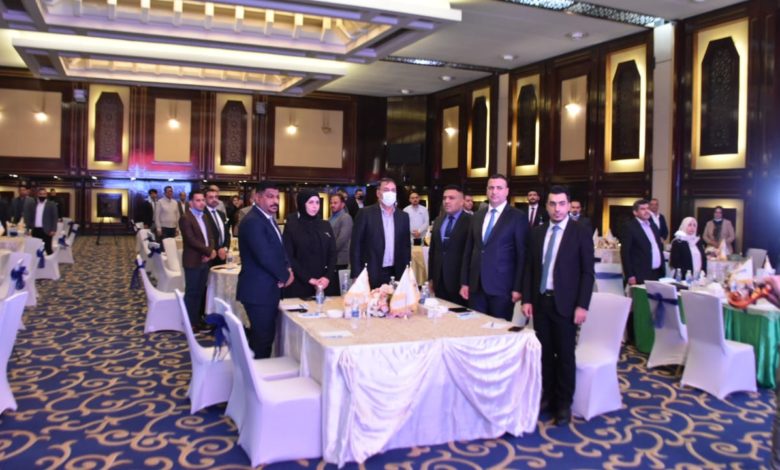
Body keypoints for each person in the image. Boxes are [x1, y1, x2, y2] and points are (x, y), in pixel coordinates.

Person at [522, 185, 594, 425]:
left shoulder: (580, 232)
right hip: (541, 302)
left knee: (564, 356)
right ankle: (548, 396)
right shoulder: (537, 233)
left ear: (569, 205)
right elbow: (530, 268)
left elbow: (587, 273)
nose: (557, 209)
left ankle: (564, 404)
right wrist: (527, 298)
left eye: (562, 204)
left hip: (567, 305)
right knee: (544, 354)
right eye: (552, 204)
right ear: (546, 206)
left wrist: (582, 305)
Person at [460, 174, 528, 320]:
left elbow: (522, 255)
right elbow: (469, 251)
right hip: (476, 286)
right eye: (491, 188)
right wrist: (464, 282)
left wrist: (518, 287)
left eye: (499, 188)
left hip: (502, 288)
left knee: (498, 330)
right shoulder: (477, 216)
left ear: (507, 191)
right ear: (486, 190)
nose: (494, 191)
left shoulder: (517, 217)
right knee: (474, 327)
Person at [237, 181, 293, 359]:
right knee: (262, 340)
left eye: (277, 197)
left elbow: (280, 249)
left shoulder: (268, 219)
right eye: (270, 196)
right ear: (257, 197)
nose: (275, 201)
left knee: (264, 337)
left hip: (266, 289)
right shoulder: (253, 221)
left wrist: (288, 268)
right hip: (258, 291)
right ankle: (256, 374)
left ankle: (255, 372)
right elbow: (265, 256)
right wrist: (285, 276)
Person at [350, 177, 411, 288]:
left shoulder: (403, 216)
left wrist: (407, 272)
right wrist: (355, 274)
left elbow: (406, 247)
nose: (390, 193)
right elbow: (356, 246)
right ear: (378, 193)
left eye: (393, 190)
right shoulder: (365, 214)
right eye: (386, 190)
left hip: (396, 273)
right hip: (370, 272)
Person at [283, 190, 338, 298]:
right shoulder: (292, 227)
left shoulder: (325, 225)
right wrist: (309, 279)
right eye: (311, 202)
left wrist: (327, 277)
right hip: (299, 284)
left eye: (317, 202)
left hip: (324, 284)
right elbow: (289, 257)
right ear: (302, 204)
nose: (315, 206)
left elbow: (333, 253)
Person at [179, 190, 216, 329]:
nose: (202, 203)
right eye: (198, 200)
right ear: (191, 203)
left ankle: (196, 320)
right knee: (191, 292)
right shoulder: (185, 218)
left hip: (205, 260)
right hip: (193, 260)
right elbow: (191, 240)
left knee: (200, 292)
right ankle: (188, 323)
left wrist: (210, 251)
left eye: (203, 200)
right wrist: (208, 251)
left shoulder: (204, 216)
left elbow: (210, 236)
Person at [428, 185, 471, 305]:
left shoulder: (471, 222)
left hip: (459, 282)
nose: (446, 201)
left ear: (462, 201)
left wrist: (466, 282)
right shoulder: (438, 220)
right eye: (444, 198)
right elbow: (433, 251)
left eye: (451, 198)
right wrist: (431, 278)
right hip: (439, 280)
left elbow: (470, 255)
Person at [620, 199, 665, 286]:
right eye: (643, 209)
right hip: (640, 275)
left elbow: (658, 247)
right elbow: (625, 253)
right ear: (635, 212)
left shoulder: (653, 226)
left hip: (656, 273)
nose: (646, 211)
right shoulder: (629, 227)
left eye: (648, 208)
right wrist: (630, 275)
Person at [23, 188, 58, 254]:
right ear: (37, 195)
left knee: (48, 248)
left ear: (46, 195)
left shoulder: (51, 204)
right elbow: (30, 217)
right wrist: (27, 229)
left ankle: (50, 260)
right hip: (35, 230)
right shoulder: (33, 204)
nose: (42, 195)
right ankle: (39, 261)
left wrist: (53, 229)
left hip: (46, 230)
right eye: (40, 194)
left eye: (44, 194)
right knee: (36, 249)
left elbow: (54, 217)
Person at [204, 187, 230, 266]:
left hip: (222, 255)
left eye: (216, 197)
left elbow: (227, 234)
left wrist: (225, 248)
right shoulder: (202, 214)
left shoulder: (221, 214)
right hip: (210, 255)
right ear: (205, 199)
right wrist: (218, 249)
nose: (214, 199)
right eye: (211, 197)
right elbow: (205, 236)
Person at [329, 192, 353, 271]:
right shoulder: (331, 218)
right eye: (331, 203)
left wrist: (329, 251)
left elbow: (342, 239)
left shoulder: (346, 217)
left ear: (342, 204)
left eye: (335, 203)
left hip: (341, 260)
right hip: (332, 258)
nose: (332, 205)